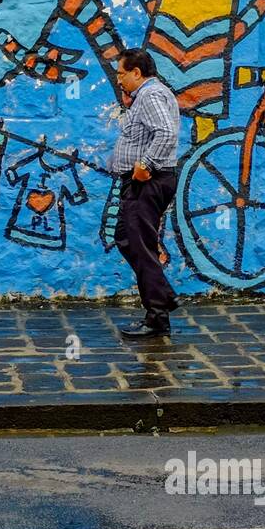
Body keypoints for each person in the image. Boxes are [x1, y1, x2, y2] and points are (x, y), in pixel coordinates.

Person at [109, 49, 181, 338]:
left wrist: (145, 165)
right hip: (143, 181)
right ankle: (162, 297)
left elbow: (166, 132)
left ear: (136, 72)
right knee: (126, 239)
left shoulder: (150, 95)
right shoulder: (145, 97)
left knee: (140, 246)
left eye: (121, 74)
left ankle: (156, 316)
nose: (119, 80)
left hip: (148, 181)